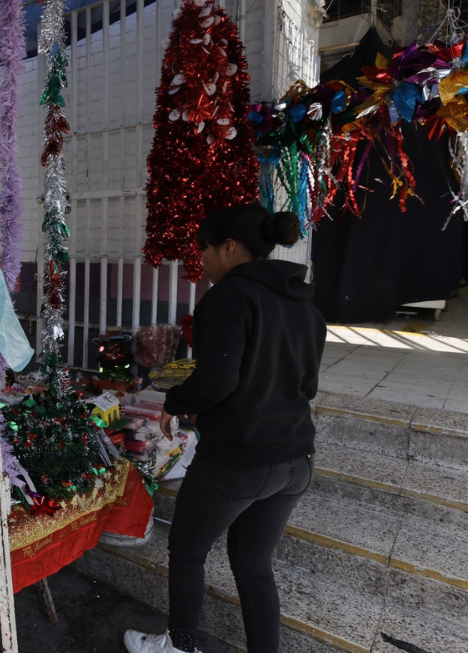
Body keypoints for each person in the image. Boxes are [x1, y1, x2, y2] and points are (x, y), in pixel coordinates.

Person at [124, 205, 325, 653]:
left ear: (230, 248)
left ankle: (179, 645)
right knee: (254, 564)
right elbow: (306, 384)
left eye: (205, 251)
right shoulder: (304, 304)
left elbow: (218, 379)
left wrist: (174, 402)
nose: (203, 262)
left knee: (189, 549)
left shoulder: (229, 297)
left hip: (239, 459)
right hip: (295, 461)